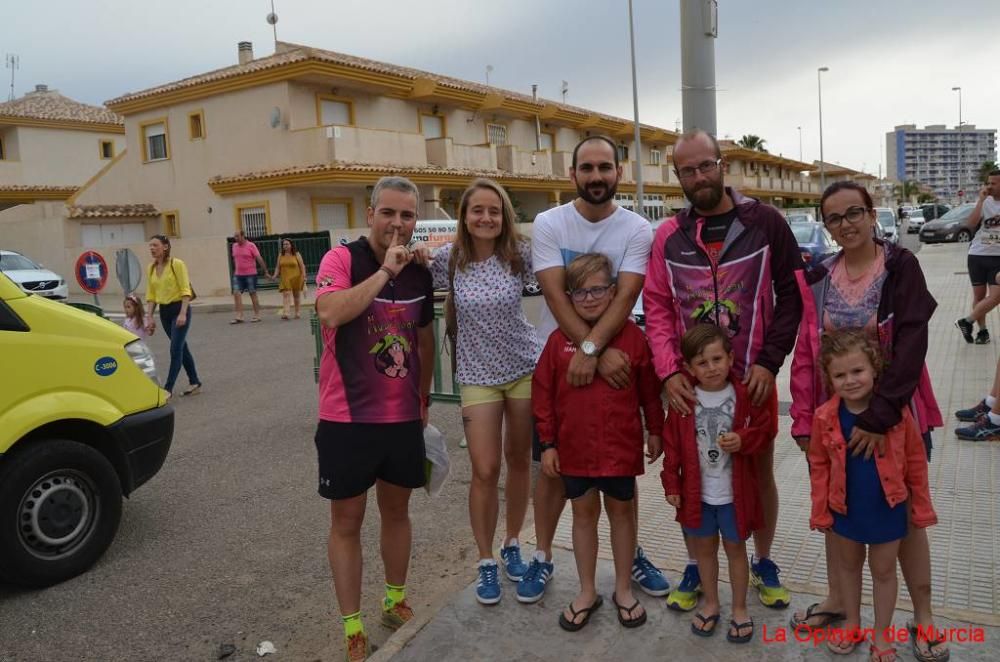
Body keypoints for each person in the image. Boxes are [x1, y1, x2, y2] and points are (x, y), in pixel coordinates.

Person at [644, 129, 803, 612]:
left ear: (722, 164)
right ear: (677, 177)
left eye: (706, 165)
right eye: (687, 170)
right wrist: (670, 372)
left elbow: (792, 296)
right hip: (689, 387)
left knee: (756, 470)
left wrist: (768, 362)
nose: (699, 176)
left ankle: (763, 558)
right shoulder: (668, 236)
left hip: (750, 379)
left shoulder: (765, 222)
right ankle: (699, 563)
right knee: (694, 471)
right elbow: (656, 305)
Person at [790, 181, 948, 662]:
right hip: (837, 424)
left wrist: (881, 416)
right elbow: (807, 350)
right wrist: (802, 418)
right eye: (834, 218)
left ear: (872, 212)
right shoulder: (818, 276)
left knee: (906, 518)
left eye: (854, 212)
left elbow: (913, 341)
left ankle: (922, 616)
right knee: (841, 514)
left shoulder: (900, 266)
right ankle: (844, 603)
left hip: (897, 416)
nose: (846, 224)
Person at [522, 134, 669, 604]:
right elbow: (554, 293)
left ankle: (629, 560)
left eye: (605, 167)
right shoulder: (548, 223)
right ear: (573, 175)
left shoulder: (635, 229)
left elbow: (625, 295)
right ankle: (543, 557)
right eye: (587, 168)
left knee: (618, 489)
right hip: (564, 365)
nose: (597, 176)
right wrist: (591, 350)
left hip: (612, 363)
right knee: (553, 474)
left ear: (618, 173)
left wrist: (595, 348)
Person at [313, 176, 434, 662]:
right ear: (370, 213)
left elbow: (424, 340)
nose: (398, 224)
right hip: (346, 418)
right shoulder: (341, 259)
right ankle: (352, 626)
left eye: (407, 215)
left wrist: (422, 402)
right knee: (347, 521)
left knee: (398, 512)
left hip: (402, 419)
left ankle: (394, 600)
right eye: (389, 213)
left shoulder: (420, 272)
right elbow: (330, 312)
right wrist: (385, 271)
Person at [423, 178, 540, 604]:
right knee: (486, 469)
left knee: (519, 460)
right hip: (477, 375)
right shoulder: (449, 259)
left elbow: (564, 279)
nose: (486, 218)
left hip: (524, 367)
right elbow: (406, 271)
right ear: (465, 217)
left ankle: (512, 545)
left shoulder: (520, 255)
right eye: (478, 211)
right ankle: (486, 559)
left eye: (494, 210)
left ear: (504, 215)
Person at [533, 253, 663, 631]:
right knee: (583, 516)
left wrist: (655, 429)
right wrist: (548, 444)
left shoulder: (634, 339)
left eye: (598, 290)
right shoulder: (558, 342)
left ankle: (623, 588)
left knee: (622, 516)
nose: (589, 299)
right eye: (579, 292)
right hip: (574, 451)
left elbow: (650, 392)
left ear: (614, 292)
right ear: (568, 297)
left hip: (619, 451)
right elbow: (543, 398)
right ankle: (587, 590)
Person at [807, 329, 937, 660]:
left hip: (888, 509)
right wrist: (820, 510)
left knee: (883, 572)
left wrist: (921, 508)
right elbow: (819, 466)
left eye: (857, 371)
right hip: (845, 509)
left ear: (875, 369)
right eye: (839, 374)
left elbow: (915, 463)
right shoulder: (825, 417)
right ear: (829, 378)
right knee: (848, 569)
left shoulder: (897, 415)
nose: (849, 380)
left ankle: (881, 634)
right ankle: (852, 623)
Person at [662, 324, 770, 644]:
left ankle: (739, 608)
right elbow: (671, 446)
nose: (711, 368)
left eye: (717, 359)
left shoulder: (744, 395)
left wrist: (744, 439)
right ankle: (711, 603)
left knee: (736, 551)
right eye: (702, 362)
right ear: (688, 367)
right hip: (698, 495)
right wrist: (671, 484)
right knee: (705, 552)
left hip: (734, 494)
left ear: (730, 358)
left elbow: (763, 432)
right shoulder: (684, 400)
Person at [144, 235, 202, 399]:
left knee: (175, 349)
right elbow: (151, 294)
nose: (152, 249)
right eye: (150, 246)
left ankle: (167, 389)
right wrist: (149, 317)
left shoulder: (177, 264)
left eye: (155, 245)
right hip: (164, 312)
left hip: (179, 309)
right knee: (181, 347)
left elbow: (185, 290)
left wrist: (183, 313)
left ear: (165, 247)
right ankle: (195, 381)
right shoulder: (151, 268)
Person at [955, 170, 1000, 344]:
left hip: (998, 258)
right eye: (988, 183)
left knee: (996, 295)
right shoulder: (985, 202)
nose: (989, 186)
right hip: (977, 255)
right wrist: (980, 201)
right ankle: (982, 332)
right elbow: (971, 223)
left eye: (993, 183)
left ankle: (967, 320)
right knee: (979, 296)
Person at [230, 230, 270, 324]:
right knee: (236, 293)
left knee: (252, 293)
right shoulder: (234, 246)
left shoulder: (251, 245)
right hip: (238, 274)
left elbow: (258, 258)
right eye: (235, 237)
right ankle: (239, 316)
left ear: (243, 236)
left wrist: (265, 271)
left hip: (250, 274)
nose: (235, 239)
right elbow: (235, 259)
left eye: (237, 236)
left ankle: (257, 315)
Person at [272, 238, 307, 320]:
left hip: (296, 277)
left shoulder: (296, 254)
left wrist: (304, 277)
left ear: (291, 245)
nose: (285, 246)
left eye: (287, 244)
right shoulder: (281, 255)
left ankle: (297, 312)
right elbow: (278, 267)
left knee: (296, 296)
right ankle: (286, 313)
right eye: (284, 244)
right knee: (286, 294)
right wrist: (274, 275)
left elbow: (302, 266)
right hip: (285, 278)